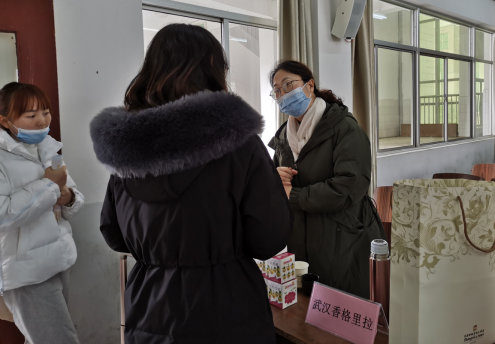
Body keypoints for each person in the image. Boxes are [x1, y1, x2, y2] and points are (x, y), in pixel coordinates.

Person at [91, 24, 293, 344]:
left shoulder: (127, 150)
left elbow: (113, 233)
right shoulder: (239, 144)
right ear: (213, 69)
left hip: (150, 310)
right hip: (228, 310)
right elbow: (268, 240)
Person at [268, 60, 386, 299]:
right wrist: (275, 179)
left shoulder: (344, 128)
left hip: (343, 238)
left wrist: (294, 195)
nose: (283, 94)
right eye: (277, 90)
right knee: (308, 306)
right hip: (301, 238)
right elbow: (273, 181)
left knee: (341, 305)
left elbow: (350, 186)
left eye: (288, 85)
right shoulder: (283, 136)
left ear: (310, 85)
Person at [0, 82, 84, 343]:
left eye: (45, 112)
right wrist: (49, 185)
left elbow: (70, 192)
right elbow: (4, 214)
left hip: (57, 259)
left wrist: (69, 197)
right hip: (26, 271)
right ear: (5, 121)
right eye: (31, 115)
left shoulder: (47, 147)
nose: (41, 121)